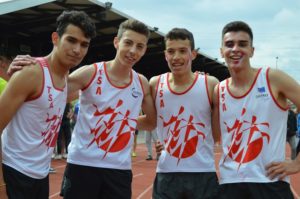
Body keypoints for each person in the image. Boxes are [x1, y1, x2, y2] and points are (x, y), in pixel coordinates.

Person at [0, 10, 96, 199]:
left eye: (84, 45)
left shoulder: (66, 76)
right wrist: (1, 186)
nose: (77, 50)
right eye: (71, 40)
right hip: (14, 172)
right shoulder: (31, 72)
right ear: (55, 38)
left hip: (40, 175)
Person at [213, 21, 300, 199]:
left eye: (242, 44)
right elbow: (209, 133)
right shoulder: (218, 90)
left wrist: (297, 163)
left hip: (270, 182)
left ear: (252, 50)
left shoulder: (272, 78)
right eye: (229, 44)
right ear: (221, 51)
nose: (235, 49)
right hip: (230, 183)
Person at [149, 28, 219, 199]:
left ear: (193, 54)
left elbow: (220, 130)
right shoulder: (155, 84)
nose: (176, 57)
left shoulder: (210, 84)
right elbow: (150, 121)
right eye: (171, 51)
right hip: (167, 174)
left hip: (202, 173)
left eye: (182, 51)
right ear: (165, 54)